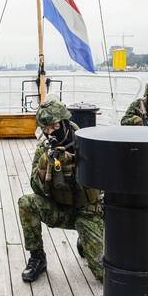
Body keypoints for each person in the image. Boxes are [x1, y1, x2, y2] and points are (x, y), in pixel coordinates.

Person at [18, 100, 104, 282]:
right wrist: (44, 165)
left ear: (64, 123)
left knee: (103, 273)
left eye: (54, 126)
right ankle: (37, 258)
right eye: (45, 128)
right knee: (26, 203)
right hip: (61, 210)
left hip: (87, 212)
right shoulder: (44, 149)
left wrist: (72, 162)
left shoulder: (87, 142)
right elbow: (36, 187)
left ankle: (87, 238)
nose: (50, 132)